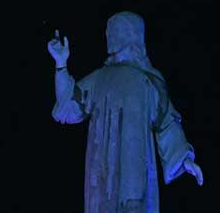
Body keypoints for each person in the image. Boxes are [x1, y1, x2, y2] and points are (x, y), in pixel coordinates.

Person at [48, 12, 204, 213]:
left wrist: (184, 158)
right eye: (108, 32)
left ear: (132, 34)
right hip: (101, 174)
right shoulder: (99, 79)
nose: (110, 37)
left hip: (134, 174)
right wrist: (61, 64)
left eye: (116, 31)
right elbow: (66, 108)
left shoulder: (148, 80)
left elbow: (166, 123)